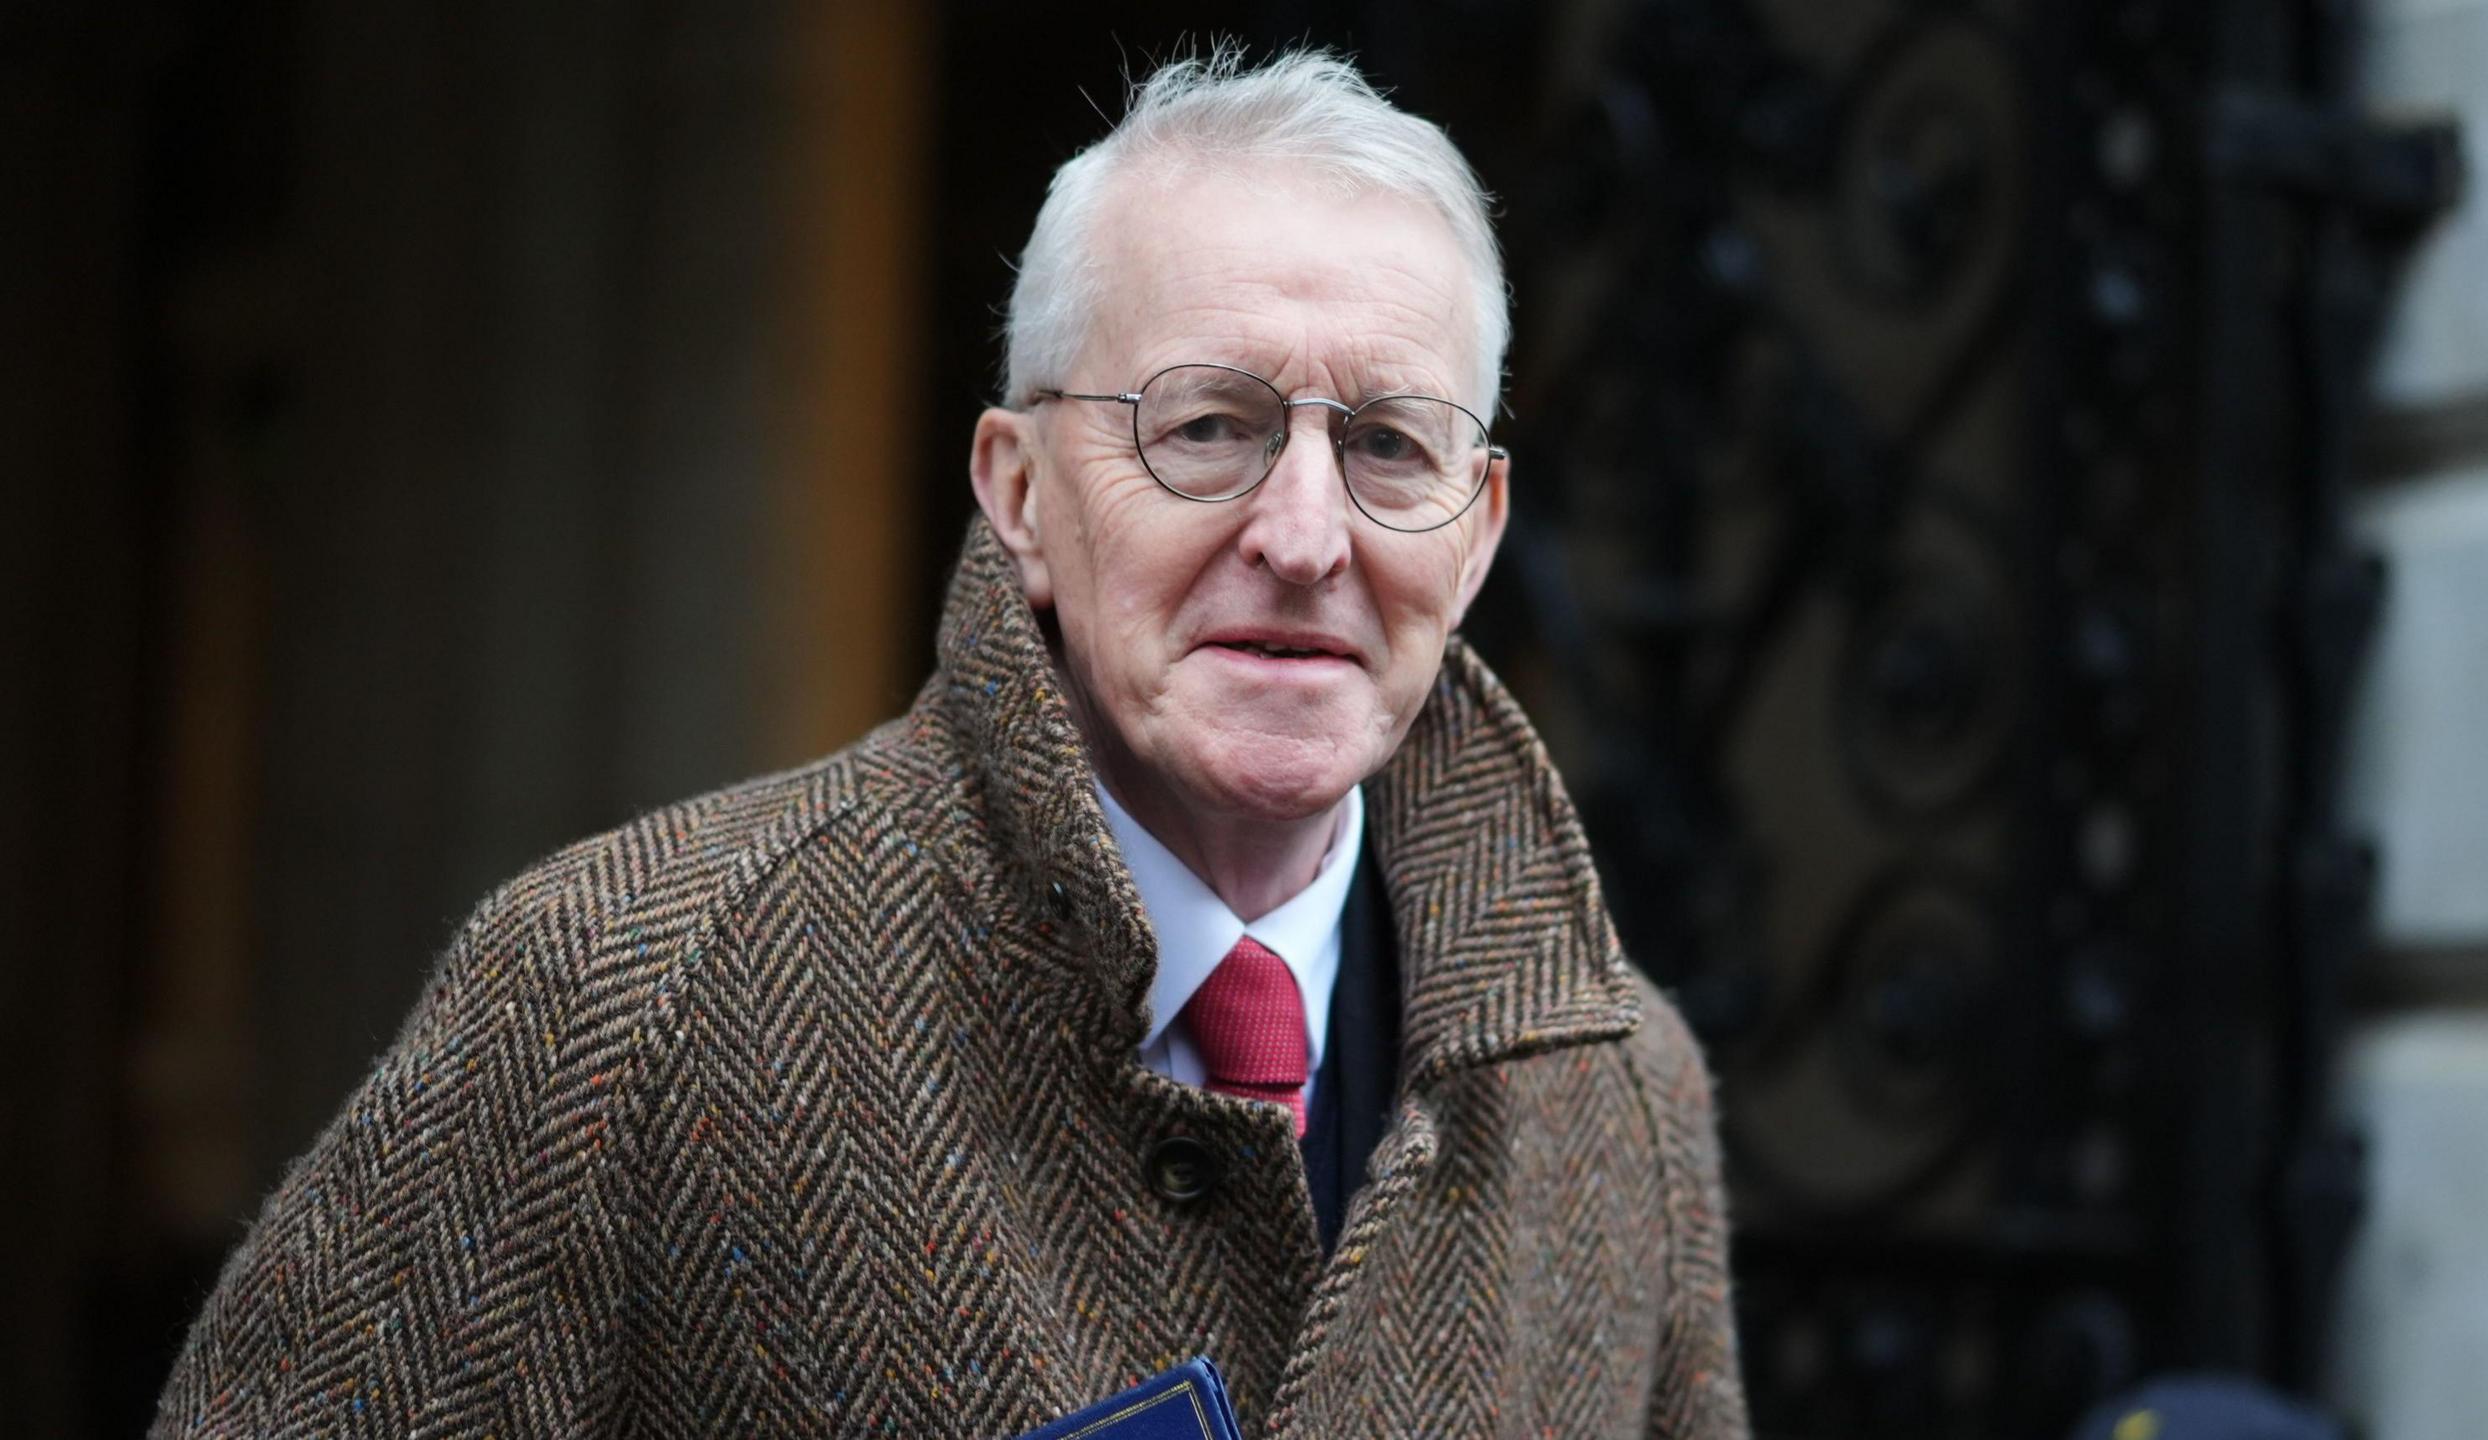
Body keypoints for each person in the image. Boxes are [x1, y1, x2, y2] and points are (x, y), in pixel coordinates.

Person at [152, 48, 1750, 1439]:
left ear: (1478, 532)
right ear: (1019, 493)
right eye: (1209, 427)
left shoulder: (1618, 1098)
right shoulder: (620, 1002)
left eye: (1391, 445)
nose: (1305, 535)